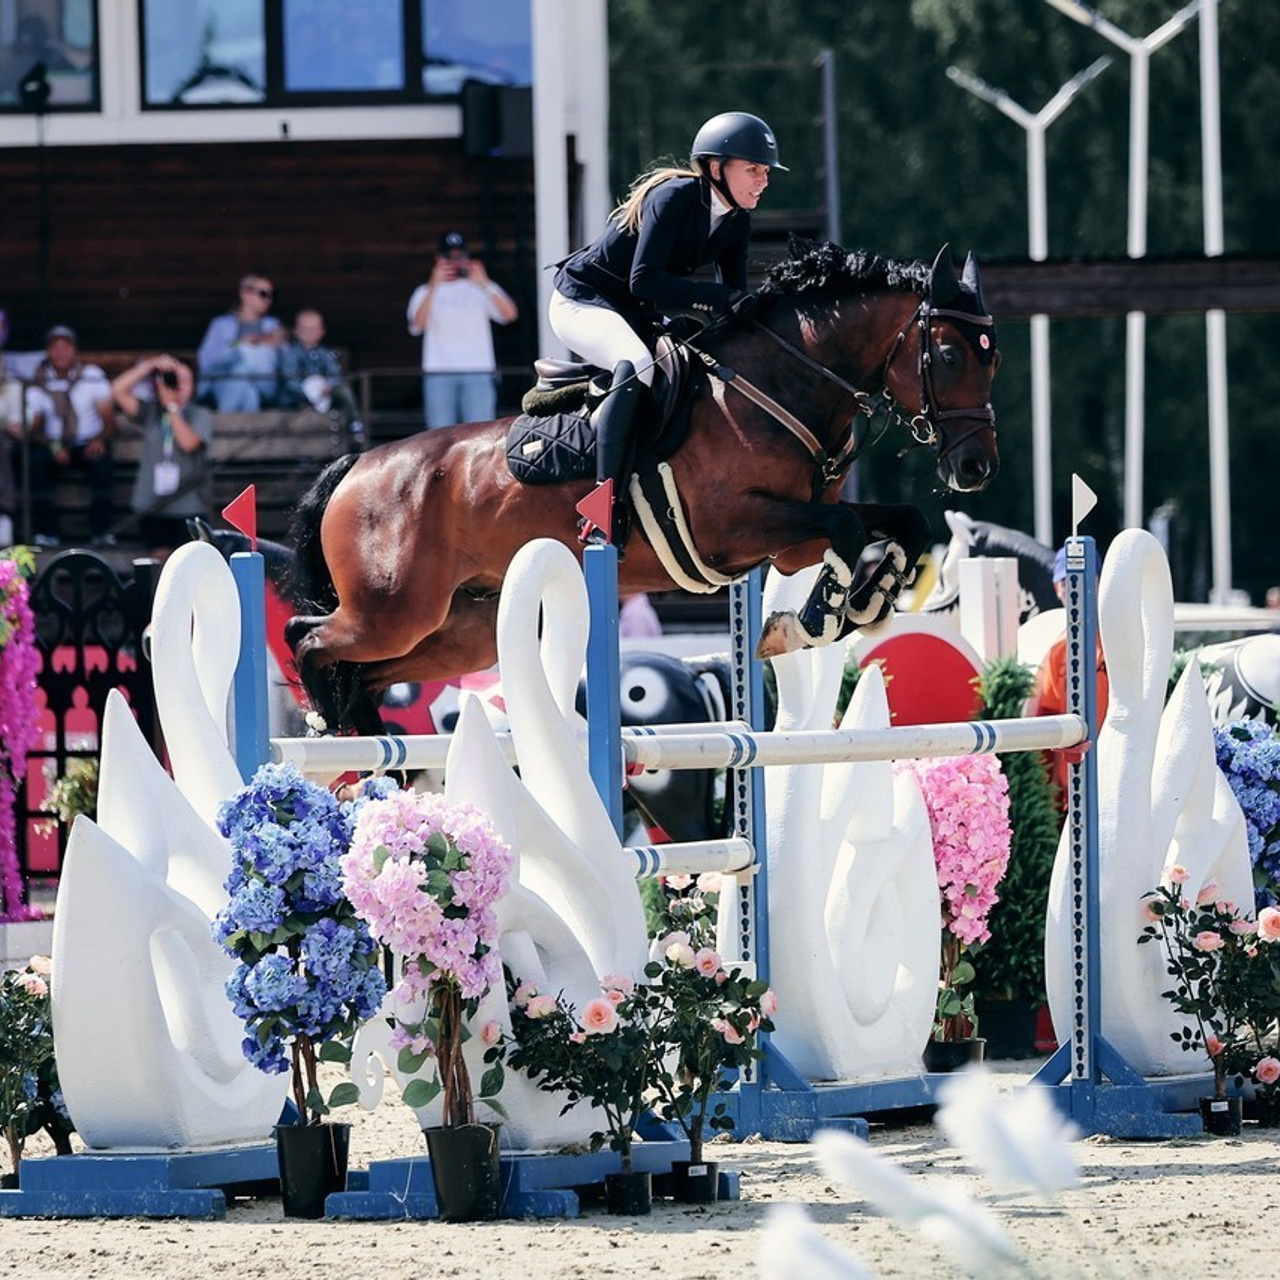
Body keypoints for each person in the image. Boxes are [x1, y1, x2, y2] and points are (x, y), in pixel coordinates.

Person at [548, 110, 785, 544]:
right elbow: (645, 280)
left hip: (632, 311)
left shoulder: (736, 220)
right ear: (717, 168)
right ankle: (603, 506)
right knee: (638, 364)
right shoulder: (674, 197)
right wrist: (721, 299)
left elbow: (731, 298)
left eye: (766, 171)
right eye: (753, 169)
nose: (763, 180)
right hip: (582, 301)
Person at [406, 230, 518, 430]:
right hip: (439, 373)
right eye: (449, 257)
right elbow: (417, 324)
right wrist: (434, 285)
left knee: (481, 433)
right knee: (438, 436)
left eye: (460, 256)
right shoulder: (424, 291)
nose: (455, 262)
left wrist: (484, 282)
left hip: (478, 371)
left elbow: (509, 315)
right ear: (438, 259)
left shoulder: (482, 288)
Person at [109, 354, 212, 560]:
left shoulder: (199, 414)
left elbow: (189, 443)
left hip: (188, 505)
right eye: (174, 380)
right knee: (159, 564)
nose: (179, 386)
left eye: (185, 381)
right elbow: (117, 390)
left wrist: (172, 407)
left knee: (188, 564)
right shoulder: (151, 411)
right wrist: (149, 365)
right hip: (154, 505)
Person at [1031, 545, 1110, 814]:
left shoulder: (1119, 638)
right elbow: (1051, 719)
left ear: (1099, 582)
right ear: (1057, 589)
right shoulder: (1057, 651)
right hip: (1074, 786)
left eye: (1083, 580)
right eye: (1066, 582)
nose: (1074, 589)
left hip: (1116, 771)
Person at [22, 326, 117, 547]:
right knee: (35, 461)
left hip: (87, 443)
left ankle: (101, 532)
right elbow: (34, 429)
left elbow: (110, 422)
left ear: (75, 350)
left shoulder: (92, 376)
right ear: (47, 351)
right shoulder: (39, 380)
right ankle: (46, 533)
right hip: (53, 444)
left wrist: (98, 440)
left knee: (102, 463)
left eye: (66, 346)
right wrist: (54, 447)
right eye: (55, 347)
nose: (61, 352)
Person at [196, 274, 286, 412]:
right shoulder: (221, 325)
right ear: (245, 294)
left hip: (263, 382)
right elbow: (206, 359)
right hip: (225, 381)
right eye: (263, 294)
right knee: (249, 392)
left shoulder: (273, 326)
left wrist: (278, 344)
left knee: (244, 370)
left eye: (271, 295)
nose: (268, 300)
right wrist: (239, 343)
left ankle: (225, 419)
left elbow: (285, 358)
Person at [278, 308, 365, 444]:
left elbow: (334, 373)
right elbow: (289, 379)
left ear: (322, 331)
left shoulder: (324, 353)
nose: (309, 333)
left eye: (314, 329)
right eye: (305, 329)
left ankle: (354, 422)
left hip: (323, 393)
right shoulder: (292, 354)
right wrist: (307, 390)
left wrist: (328, 385)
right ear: (296, 331)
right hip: (298, 395)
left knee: (344, 390)